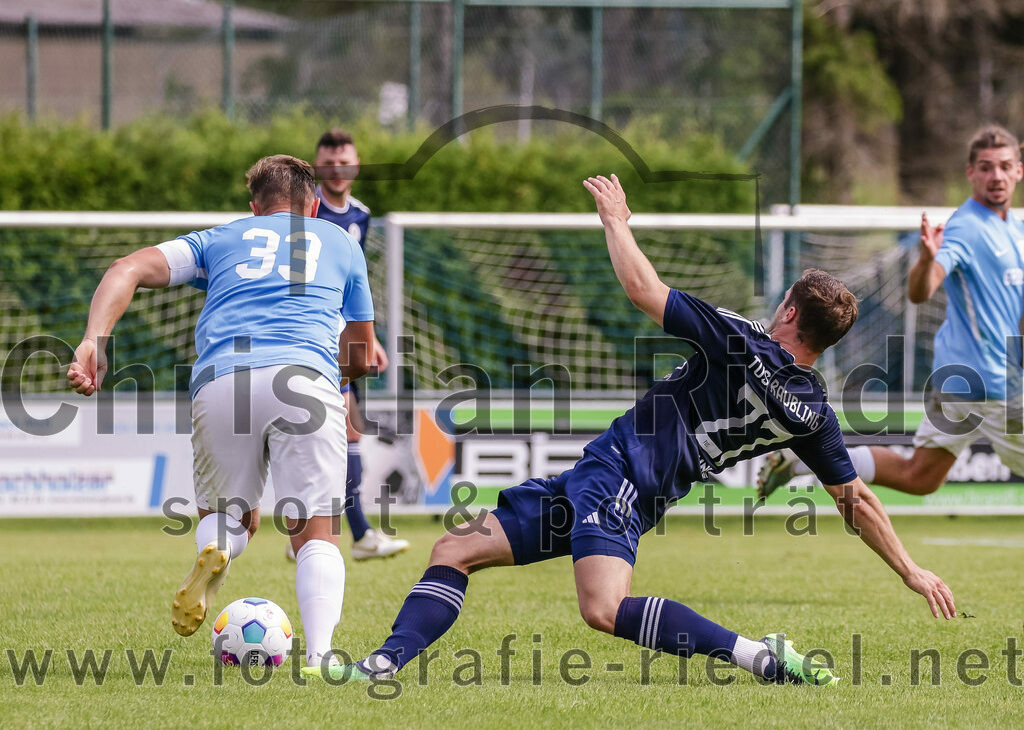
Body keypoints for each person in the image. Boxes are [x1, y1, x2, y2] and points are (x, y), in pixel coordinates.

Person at [302, 174, 956, 687]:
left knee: (604, 610)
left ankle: (759, 656)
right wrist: (910, 569)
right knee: (455, 549)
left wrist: (615, 221)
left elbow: (644, 288)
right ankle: (382, 664)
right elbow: (855, 499)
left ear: (788, 310)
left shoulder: (739, 343)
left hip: (620, 481)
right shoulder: (812, 409)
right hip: (612, 482)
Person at [67, 155, 376, 667]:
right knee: (313, 532)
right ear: (316, 206)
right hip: (305, 377)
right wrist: (336, 378)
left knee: (230, 518)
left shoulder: (220, 238)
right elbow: (363, 354)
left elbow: (127, 268)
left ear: (255, 209)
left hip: (222, 379)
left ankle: (221, 549)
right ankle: (321, 657)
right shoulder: (342, 241)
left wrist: (92, 341)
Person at [759, 124, 1024, 500]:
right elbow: (922, 289)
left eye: (1004, 165)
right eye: (985, 167)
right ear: (970, 173)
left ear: (1019, 170)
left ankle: (801, 461)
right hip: (989, 384)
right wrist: (927, 259)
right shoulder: (967, 228)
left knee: (919, 477)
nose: (995, 175)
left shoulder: (1016, 230)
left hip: (960, 378)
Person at [295, 127, 408, 561]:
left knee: (346, 431)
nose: (337, 170)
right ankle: (353, 534)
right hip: (315, 336)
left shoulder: (360, 215)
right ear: (317, 166)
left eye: (345, 162)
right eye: (329, 163)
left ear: (355, 166)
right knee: (342, 430)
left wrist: (369, 337)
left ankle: (332, 532)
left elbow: (355, 283)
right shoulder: (306, 212)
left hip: (345, 337)